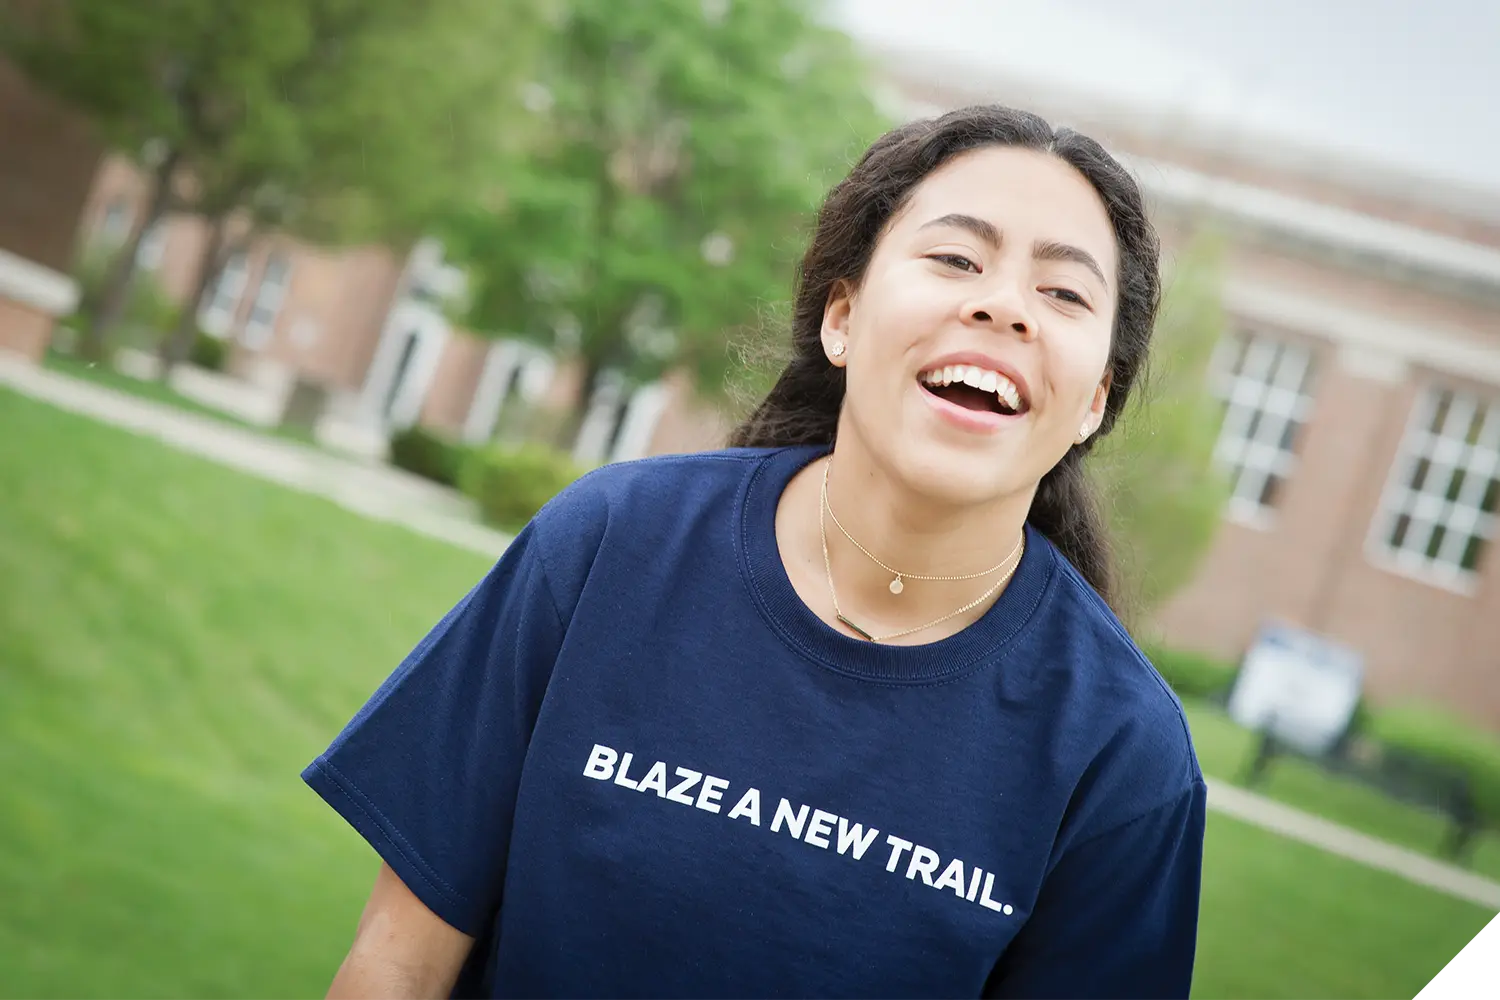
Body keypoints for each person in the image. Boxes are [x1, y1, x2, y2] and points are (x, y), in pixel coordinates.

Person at [305, 104, 1206, 999]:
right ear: (842, 317)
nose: (1002, 305)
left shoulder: (1124, 754)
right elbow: (398, 964)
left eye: (1064, 293)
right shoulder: (610, 547)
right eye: (956, 258)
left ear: (1094, 401)